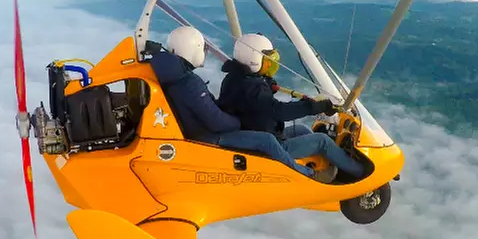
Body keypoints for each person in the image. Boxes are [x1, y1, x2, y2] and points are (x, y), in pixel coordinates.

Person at [149, 26, 316, 178]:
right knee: (267, 140)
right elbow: (215, 120)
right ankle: (302, 173)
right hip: (207, 136)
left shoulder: (175, 77)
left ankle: (305, 158)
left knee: (297, 130)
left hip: (199, 130)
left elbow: (206, 107)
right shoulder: (188, 82)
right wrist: (237, 122)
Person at [218, 32, 368, 182]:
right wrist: (314, 107)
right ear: (253, 60)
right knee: (322, 141)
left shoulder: (235, 78)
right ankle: (361, 174)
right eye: (267, 60)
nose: (271, 64)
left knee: (302, 130)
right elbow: (279, 112)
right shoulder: (252, 88)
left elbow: (256, 104)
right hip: (266, 144)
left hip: (252, 131)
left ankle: (328, 165)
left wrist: (265, 84)